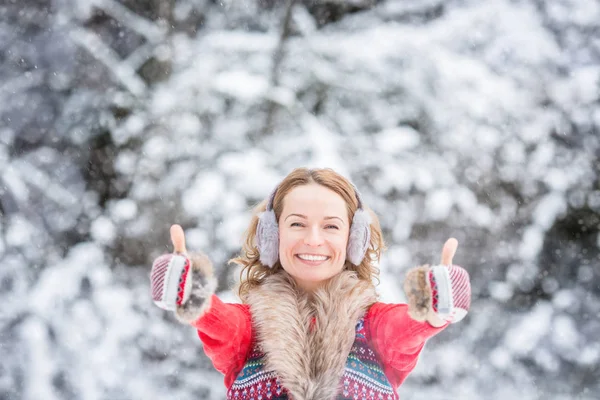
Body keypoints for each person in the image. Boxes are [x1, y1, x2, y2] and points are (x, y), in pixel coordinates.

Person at [150, 167, 471, 400]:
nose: (313, 239)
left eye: (331, 226)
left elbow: (406, 328)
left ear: (353, 239)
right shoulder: (249, 329)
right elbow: (220, 322)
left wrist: (433, 306)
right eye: (297, 224)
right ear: (271, 236)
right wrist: (192, 294)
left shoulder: (376, 326)